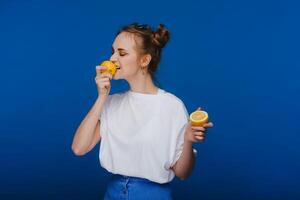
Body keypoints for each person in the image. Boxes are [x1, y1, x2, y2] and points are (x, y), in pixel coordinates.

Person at [71, 23, 214, 200]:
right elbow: (79, 148)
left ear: (144, 60)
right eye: (113, 51)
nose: (112, 58)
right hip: (113, 193)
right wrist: (101, 97)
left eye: (122, 53)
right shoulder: (111, 103)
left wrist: (188, 140)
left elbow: (182, 173)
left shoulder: (172, 106)